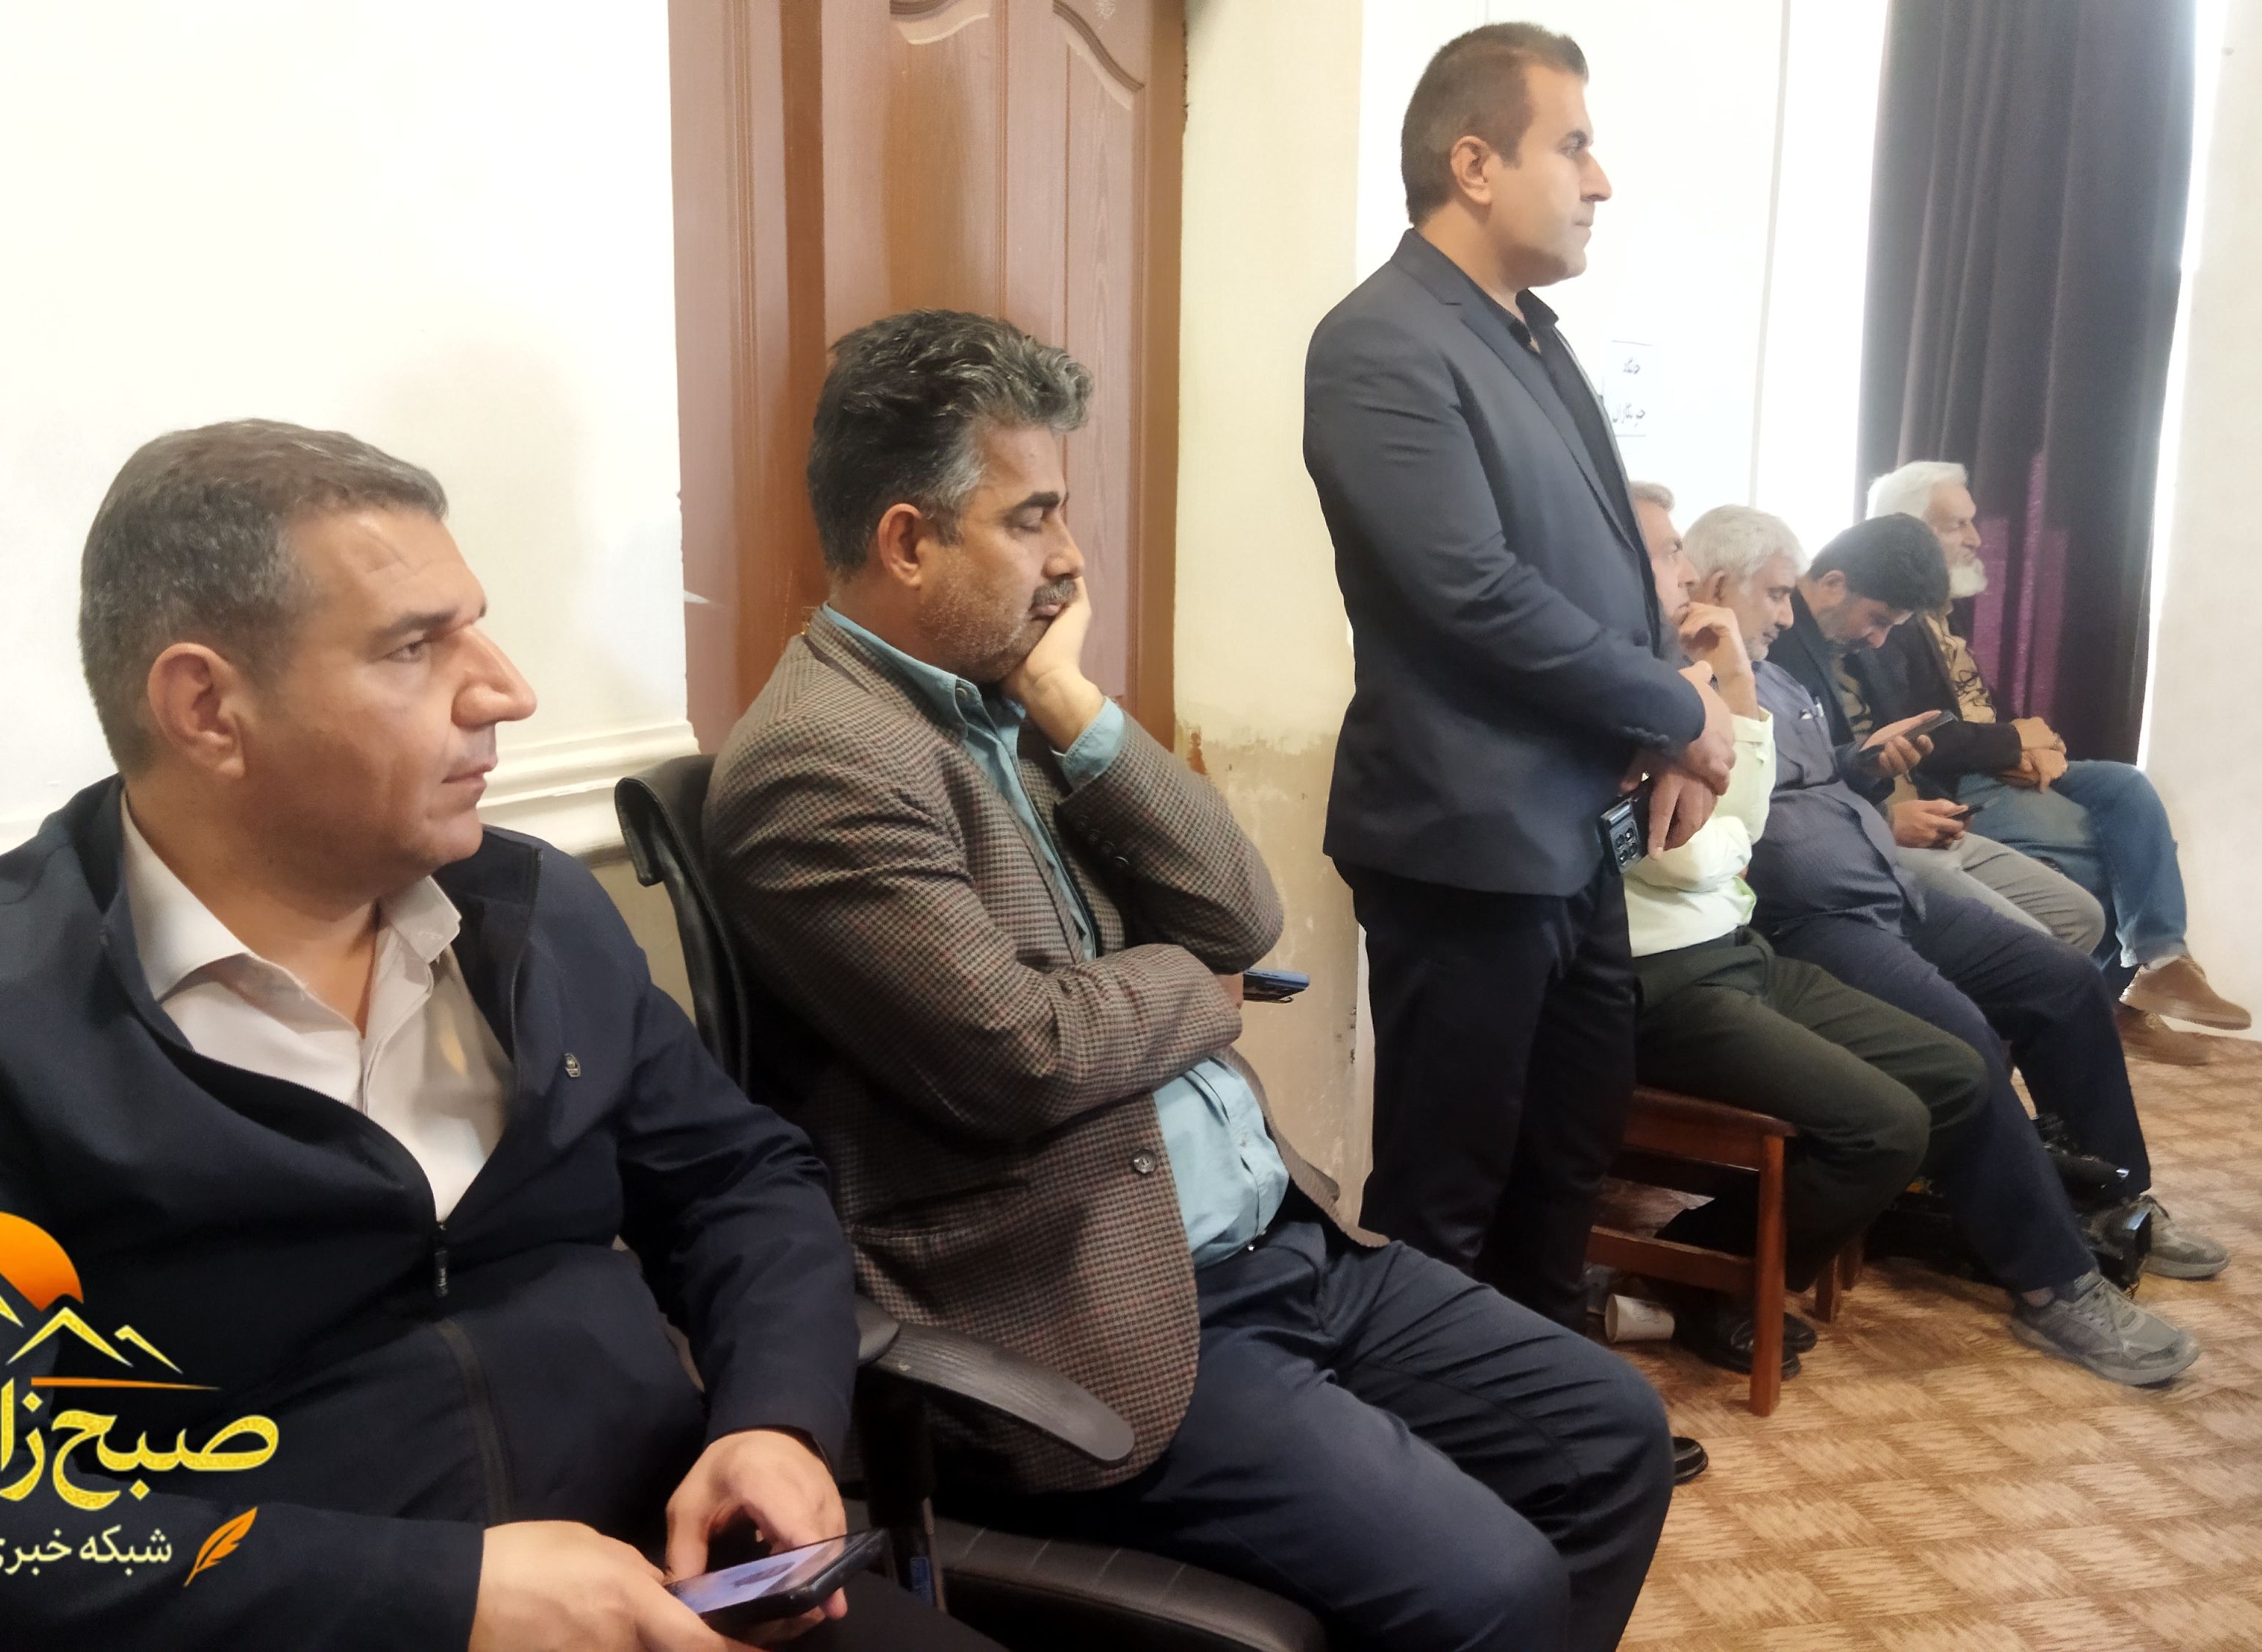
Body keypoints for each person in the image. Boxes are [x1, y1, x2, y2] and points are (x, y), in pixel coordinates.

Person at [0, 421, 992, 1652]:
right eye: (414, 647)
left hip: (671, 1589)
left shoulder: (537, 911)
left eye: (475, 627)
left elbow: (740, 1180)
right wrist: (447, 1598)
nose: (506, 690)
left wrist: (772, 1417)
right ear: (208, 708)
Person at [707, 309, 1673, 1652]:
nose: (1071, 555)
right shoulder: (822, 763)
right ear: (908, 541)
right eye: (1032, 518)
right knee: (1491, 1585)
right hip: (1099, 1309)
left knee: (1613, 1435)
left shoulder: (1011, 702)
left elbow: (1242, 910)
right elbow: (1023, 1055)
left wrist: (1075, 708)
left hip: (1276, 1245)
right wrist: (1198, 995)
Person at [1306, 23, 1735, 1334]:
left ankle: (1555, 1414)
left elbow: (1609, 576)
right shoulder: (1381, 341)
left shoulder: (1533, 338)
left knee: (1564, 1169)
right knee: (1447, 1197)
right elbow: (1471, 594)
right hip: (1466, 840)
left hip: (1573, 834)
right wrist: (1681, 707)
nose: (1601, 180)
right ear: (1476, 163)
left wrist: (1664, 728)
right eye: (1575, 145)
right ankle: (1425, 1441)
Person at [1703, 512, 2224, 1377]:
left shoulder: (1777, 680)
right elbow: (1734, 815)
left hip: (1884, 888)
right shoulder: (1696, 690)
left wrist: (1864, 764)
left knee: (2066, 979)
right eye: (1775, 595)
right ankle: (2055, 1286)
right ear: (1720, 589)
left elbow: (1813, 778)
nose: (1786, 615)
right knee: (1964, 1045)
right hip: (1810, 923)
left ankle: (2118, 1203)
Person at [1618, 505, 1990, 1377]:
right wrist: (1728, 831)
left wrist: (1736, 685)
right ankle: (1716, 1284)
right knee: (1886, 1127)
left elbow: (1740, 824)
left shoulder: (1701, 676)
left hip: (1734, 950)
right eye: (1668, 552)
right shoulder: (1631, 682)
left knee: (1956, 1076)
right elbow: (1682, 857)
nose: (1683, 568)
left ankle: (1702, 1255)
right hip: (1664, 981)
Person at [1856, 460, 2252, 1062]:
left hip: (1995, 768)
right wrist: (2015, 744)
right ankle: (2117, 1003)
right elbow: (1922, 731)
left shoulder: (1942, 617)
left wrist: (2038, 747)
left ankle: (2162, 961)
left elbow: (1987, 710)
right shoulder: (1892, 621)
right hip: (1957, 784)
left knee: (2126, 789)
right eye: (1957, 524)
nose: (1976, 538)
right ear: (1908, 529)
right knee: (2117, 854)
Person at [1631, 482, 2101, 954]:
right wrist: (1887, 816)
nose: (1880, 640)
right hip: (1844, 869)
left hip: (1875, 835)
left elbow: (1817, 771)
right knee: (2044, 950)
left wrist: (1868, 761)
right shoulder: (1733, 667)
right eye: (1671, 555)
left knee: (2082, 913)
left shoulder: (1780, 666)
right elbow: (1736, 832)